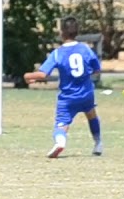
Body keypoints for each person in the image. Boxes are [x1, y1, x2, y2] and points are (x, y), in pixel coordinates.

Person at [23, 16, 103, 159]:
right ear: (77, 32)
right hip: (86, 93)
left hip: (68, 97)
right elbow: (96, 69)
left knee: (62, 124)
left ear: (62, 33)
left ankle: (60, 141)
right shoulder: (85, 49)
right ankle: (98, 143)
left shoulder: (58, 53)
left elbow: (43, 74)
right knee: (91, 114)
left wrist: (28, 76)